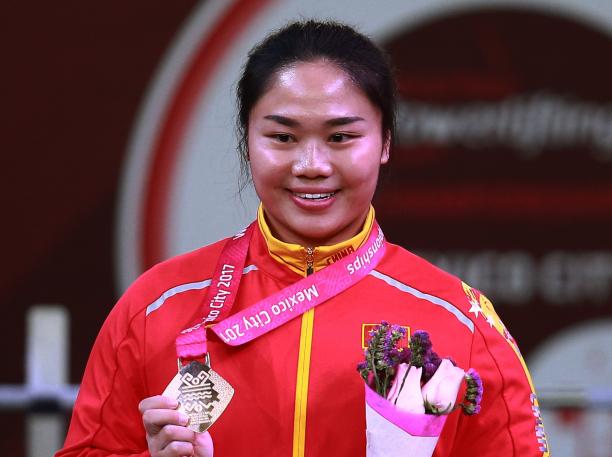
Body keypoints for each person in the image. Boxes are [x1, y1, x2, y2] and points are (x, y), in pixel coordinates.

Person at [56, 20, 549, 457]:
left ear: (386, 143)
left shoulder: (458, 321)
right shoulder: (159, 305)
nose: (311, 166)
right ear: (246, 141)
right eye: (283, 137)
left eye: (340, 137)